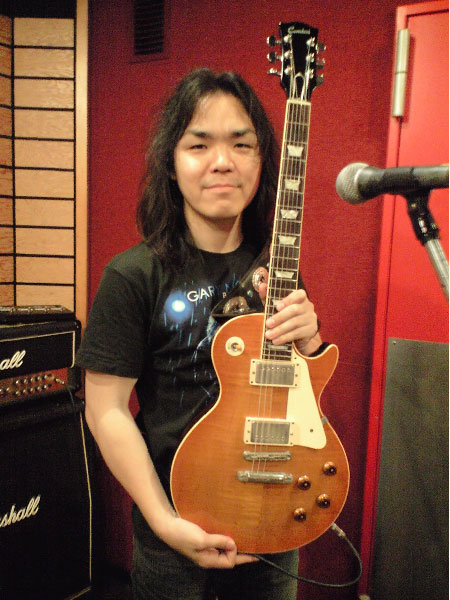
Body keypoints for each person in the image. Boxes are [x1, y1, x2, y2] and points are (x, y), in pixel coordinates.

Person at [76, 68, 322, 600]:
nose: (222, 161)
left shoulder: (276, 270)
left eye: (241, 144)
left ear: (262, 159)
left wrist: (311, 346)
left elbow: (297, 399)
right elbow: (105, 409)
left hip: (275, 518)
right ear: (171, 162)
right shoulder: (133, 275)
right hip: (174, 533)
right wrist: (164, 522)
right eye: (199, 144)